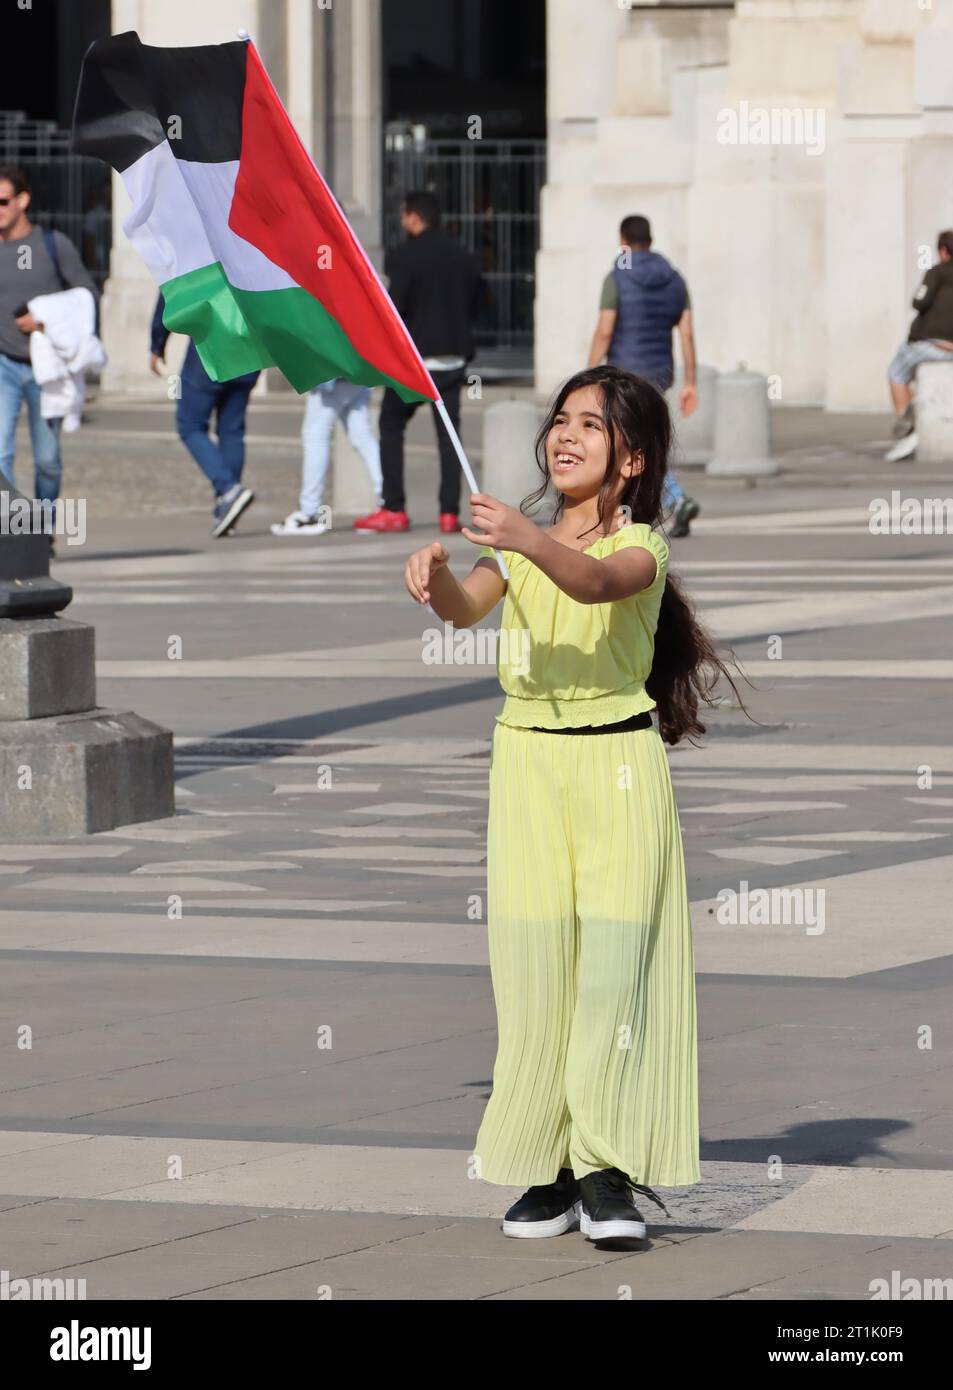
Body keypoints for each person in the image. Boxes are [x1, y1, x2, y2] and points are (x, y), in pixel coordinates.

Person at [405, 364, 744, 1242]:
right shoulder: (515, 551)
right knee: (533, 972)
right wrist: (435, 574)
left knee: (609, 974)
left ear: (630, 461)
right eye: (560, 420)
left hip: (617, 768)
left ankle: (604, 1172)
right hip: (525, 765)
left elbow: (593, 585)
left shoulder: (642, 549)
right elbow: (464, 608)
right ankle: (543, 1169)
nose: (565, 436)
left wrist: (522, 538)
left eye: (590, 427)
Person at [354, 190, 482, 535]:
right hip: (452, 358)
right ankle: (449, 514)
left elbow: (397, 309)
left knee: (391, 426)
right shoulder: (462, 254)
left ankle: (394, 507)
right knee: (448, 436)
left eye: (403, 214)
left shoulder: (404, 255)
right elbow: (480, 299)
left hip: (415, 362)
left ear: (413, 216)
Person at [587, 214, 701, 538]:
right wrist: (690, 381)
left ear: (623, 241)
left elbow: (605, 330)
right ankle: (634, 511)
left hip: (624, 373)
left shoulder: (616, 279)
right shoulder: (675, 279)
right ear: (649, 240)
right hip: (659, 374)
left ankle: (674, 500)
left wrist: (590, 371)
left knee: (630, 444)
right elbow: (688, 333)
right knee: (635, 442)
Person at [0, 164, 98, 502]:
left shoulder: (53, 245)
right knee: (0, 455)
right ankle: (11, 531)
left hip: (49, 370)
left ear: (23, 200)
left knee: (47, 462)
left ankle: (42, 529)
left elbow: (86, 296)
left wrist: (45, 322)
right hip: (3, 366)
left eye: (2, 201)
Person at [150, 294, 258, 537]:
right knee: (231, 431)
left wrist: (158, 343)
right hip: (249, 348)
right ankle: (227, 508)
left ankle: (229, 490)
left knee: (189, 425)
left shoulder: (199, 254)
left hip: (211, 347)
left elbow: (172, 291)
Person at [272, 377, 382, 535]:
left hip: (332, 376)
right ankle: (388, 499)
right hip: (357, 372)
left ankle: (309, 512)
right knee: (362, 436)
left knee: (315, 436)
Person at [885, 229, 953, 463]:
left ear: (943, 251)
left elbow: (919, 301)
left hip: (935, 344)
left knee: (896, 370)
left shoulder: (936, 272)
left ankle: (908, 423)